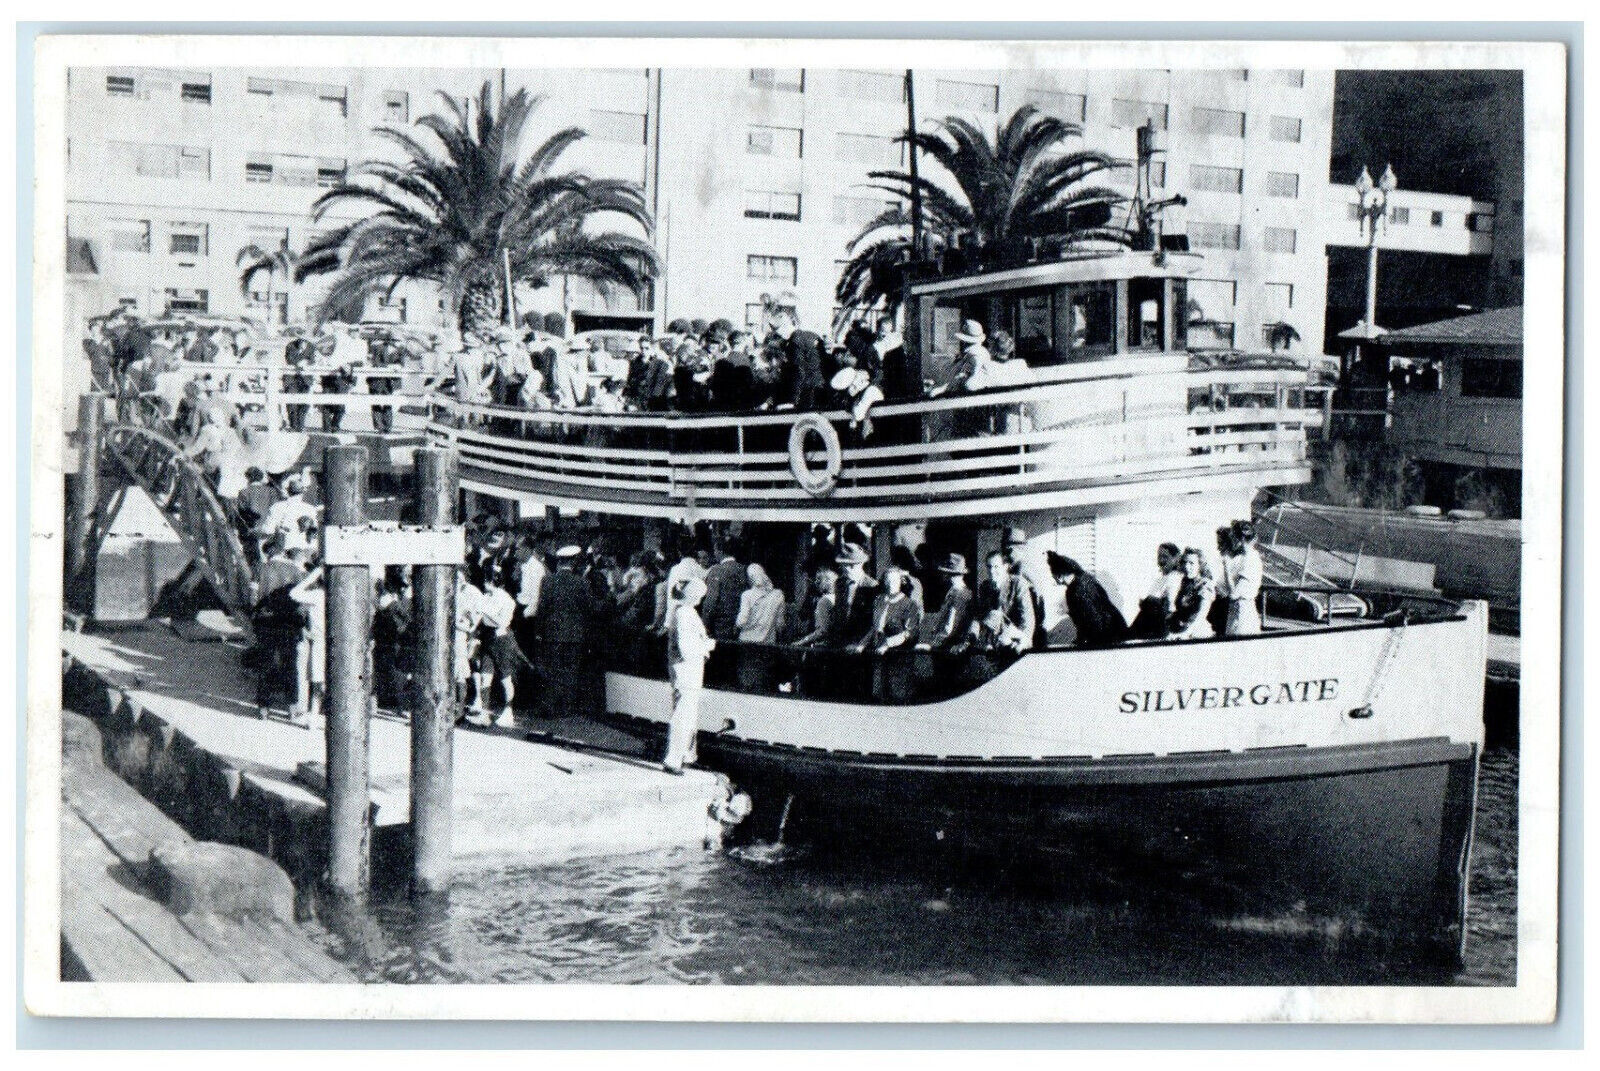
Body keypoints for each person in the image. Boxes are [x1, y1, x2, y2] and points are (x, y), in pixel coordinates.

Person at [534, 545, 595, 718]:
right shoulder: (582, 582)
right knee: (570, 670)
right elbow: (589, 608)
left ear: (559, 562)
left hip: (552, 634)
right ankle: (566, 707)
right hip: (575, 635)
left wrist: (539, 631)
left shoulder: (547, 581)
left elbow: (542, 608)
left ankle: (549, 707)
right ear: (574, 562)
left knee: (552, 670)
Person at [663, 576, 715, 774]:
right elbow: (687, 649)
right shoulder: (686, 614)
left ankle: (685, 754)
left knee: (687, 714)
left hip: (686, 671)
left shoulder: (682, 611)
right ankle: (674, 758)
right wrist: (706, 646)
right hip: (687, 670)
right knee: (683, 715)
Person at [251, 535, 305, 720]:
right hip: (289, 623)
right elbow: (302, 602)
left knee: (265, 663)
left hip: (266, 622)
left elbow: (253, 597)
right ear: (282, 551)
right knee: (290, 664)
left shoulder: (261, 569)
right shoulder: (296, 571)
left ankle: (264, 708)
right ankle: (291, 707)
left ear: (268, 552)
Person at [855, 567, 922, 701]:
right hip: (879, 656)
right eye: (887, 581)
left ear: (901, 582)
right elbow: (875, 628)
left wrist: (887, 644)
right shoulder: (879, 601)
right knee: (879, 695)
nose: (890, 584)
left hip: (899, 656)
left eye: (894, 581)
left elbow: (909, 632)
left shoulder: (909, 604)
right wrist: (862, 644)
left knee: (898, 696)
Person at [469, 566, 522, 728]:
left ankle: (509, 711)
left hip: (502, 641)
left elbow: (501, 622)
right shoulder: (488, 596)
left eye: (487, 580)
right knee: (486, 675)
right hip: (488, 639)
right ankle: (484, 714)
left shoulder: (506, 600)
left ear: (493, 581)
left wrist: (485, 610)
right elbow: (479, 616)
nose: (484, 584)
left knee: (505, 678)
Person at [1045, 551, 1129, 648]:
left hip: (1105, 637)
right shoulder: (1087, 579)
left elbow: (1088, 618)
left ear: (1059, 575)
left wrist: (1084, 641)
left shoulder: (1074, 591)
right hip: (1117, 630)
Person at [287, 563, 327, 728]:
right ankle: (317, 715)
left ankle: (313, 715)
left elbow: (294, 593)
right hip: (328, 641)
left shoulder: (317, 595)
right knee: (323, 681)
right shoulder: (335, 595)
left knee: (316, 680)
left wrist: (315, 573)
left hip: (318, 641)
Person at [975, 549, 1036, 655]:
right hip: (994, 644)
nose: (992, 571)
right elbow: (982, 614)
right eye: (989, 567)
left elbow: (1027, 619)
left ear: (1005, 567)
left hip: (1016, 639)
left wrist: (1022, 641)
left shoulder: (1018, 584)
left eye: (996, 567)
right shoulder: (985, 587)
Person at [372, 566, 413, 714]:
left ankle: (402, 705)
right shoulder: (390, 600)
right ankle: (400, 705)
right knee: (395, 672)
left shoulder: (400, 600)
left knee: (400, 672)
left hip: (399, 640)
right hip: (392, 639)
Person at [916, 552, 974, 652]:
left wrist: (931, 645)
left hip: (950, 648)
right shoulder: (953, 592)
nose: (942, 576)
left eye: (944, 573)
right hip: (946, 645)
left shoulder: (960, 595)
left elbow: (949, 627)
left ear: (948, 574)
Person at [829, 543, 880, 648]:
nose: (847, 569)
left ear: (861, 564)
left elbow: (874, 621)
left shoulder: (872, 586)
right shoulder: (840, 583)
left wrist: (860, 643)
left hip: (861, 644)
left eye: (852, 565)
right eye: (844, 565)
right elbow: (839, 612)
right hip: (840, 642)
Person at [1130, 542, 1184, 639]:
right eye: (1159, 556)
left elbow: (1171, 607)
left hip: (1162, 626)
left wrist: (1149, 602)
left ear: (1175, 558)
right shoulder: (1161, 579)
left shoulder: (1175, 578)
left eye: (1165, 556)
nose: (1161, 560)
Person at [774, 310, 826, 410]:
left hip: (807, 391)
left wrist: (793, 400)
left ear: (784, 326)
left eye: (777, 330)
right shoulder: (811, 335)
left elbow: (798, 370)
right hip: (820, 387)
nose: (778, 334)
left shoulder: (794, 342)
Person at [701, 543, 749, 641]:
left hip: (720, 626)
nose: (714, 553)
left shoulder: (716, 570)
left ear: (720, 552)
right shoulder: (744, 569)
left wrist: (704, 624)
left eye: (715, 551)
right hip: (740, 624)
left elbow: (711, 601)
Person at [1167, 548, 1218, 640]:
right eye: (1184, 562)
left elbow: (1201, 614)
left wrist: (1186, 634)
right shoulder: (1184, 583)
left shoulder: (1205, 584)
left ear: (1200, 565)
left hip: (1197, 632)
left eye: (1191, 563)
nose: (1187, 566)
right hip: (1180, 630)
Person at [1224, 520, 1264, 636]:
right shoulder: (1243, 558)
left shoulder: (1250, 560)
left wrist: (1226, 569)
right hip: (1238, 610)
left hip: (1242, 613)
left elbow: (1233, 594)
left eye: (1232, 536)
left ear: (1239, 539)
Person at [453, 569, 484, 710]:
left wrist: (470, 628)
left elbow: (478, 614)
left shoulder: (473, 592)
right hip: (453, 634)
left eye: (460, 577)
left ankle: (465, 704)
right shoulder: (451, 589)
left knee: (465, 667)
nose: (458, 580)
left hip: (465, 634)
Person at [793, 563, 838, 647]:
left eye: (819, 579)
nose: (816, 582)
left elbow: (822, 630)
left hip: (819, 640)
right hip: (815, 634)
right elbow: (803, 615)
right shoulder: (813, 595)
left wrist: (802, 641)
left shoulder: (826, 599)